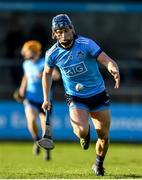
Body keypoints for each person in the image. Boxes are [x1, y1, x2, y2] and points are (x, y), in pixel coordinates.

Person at [42, 14, 120, 175]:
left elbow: (106, 60)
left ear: (72, 29)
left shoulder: (86, 44)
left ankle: (98, 164)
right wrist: (45, 98)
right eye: (58, 31)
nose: (62, 34)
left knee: (104, 136)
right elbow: (47, 74)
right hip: (75, 96)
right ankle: (85, 135)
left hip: (98, 94)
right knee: (82, 131)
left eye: (65, 30)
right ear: (54, 33)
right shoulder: (52, 53)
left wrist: (113, 68)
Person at [15, 40, 60, 160]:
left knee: (45, 126)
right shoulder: (26, 64)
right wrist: (21, 90)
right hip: (30, 98)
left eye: (27, 51)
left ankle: (47, 150)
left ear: (34, 52)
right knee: (31, 121)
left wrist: (45, 75)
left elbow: (56, 75)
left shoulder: (44, 63)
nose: (24, 53)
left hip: (45, 100)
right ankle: (36, 140)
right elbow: (25, 77)